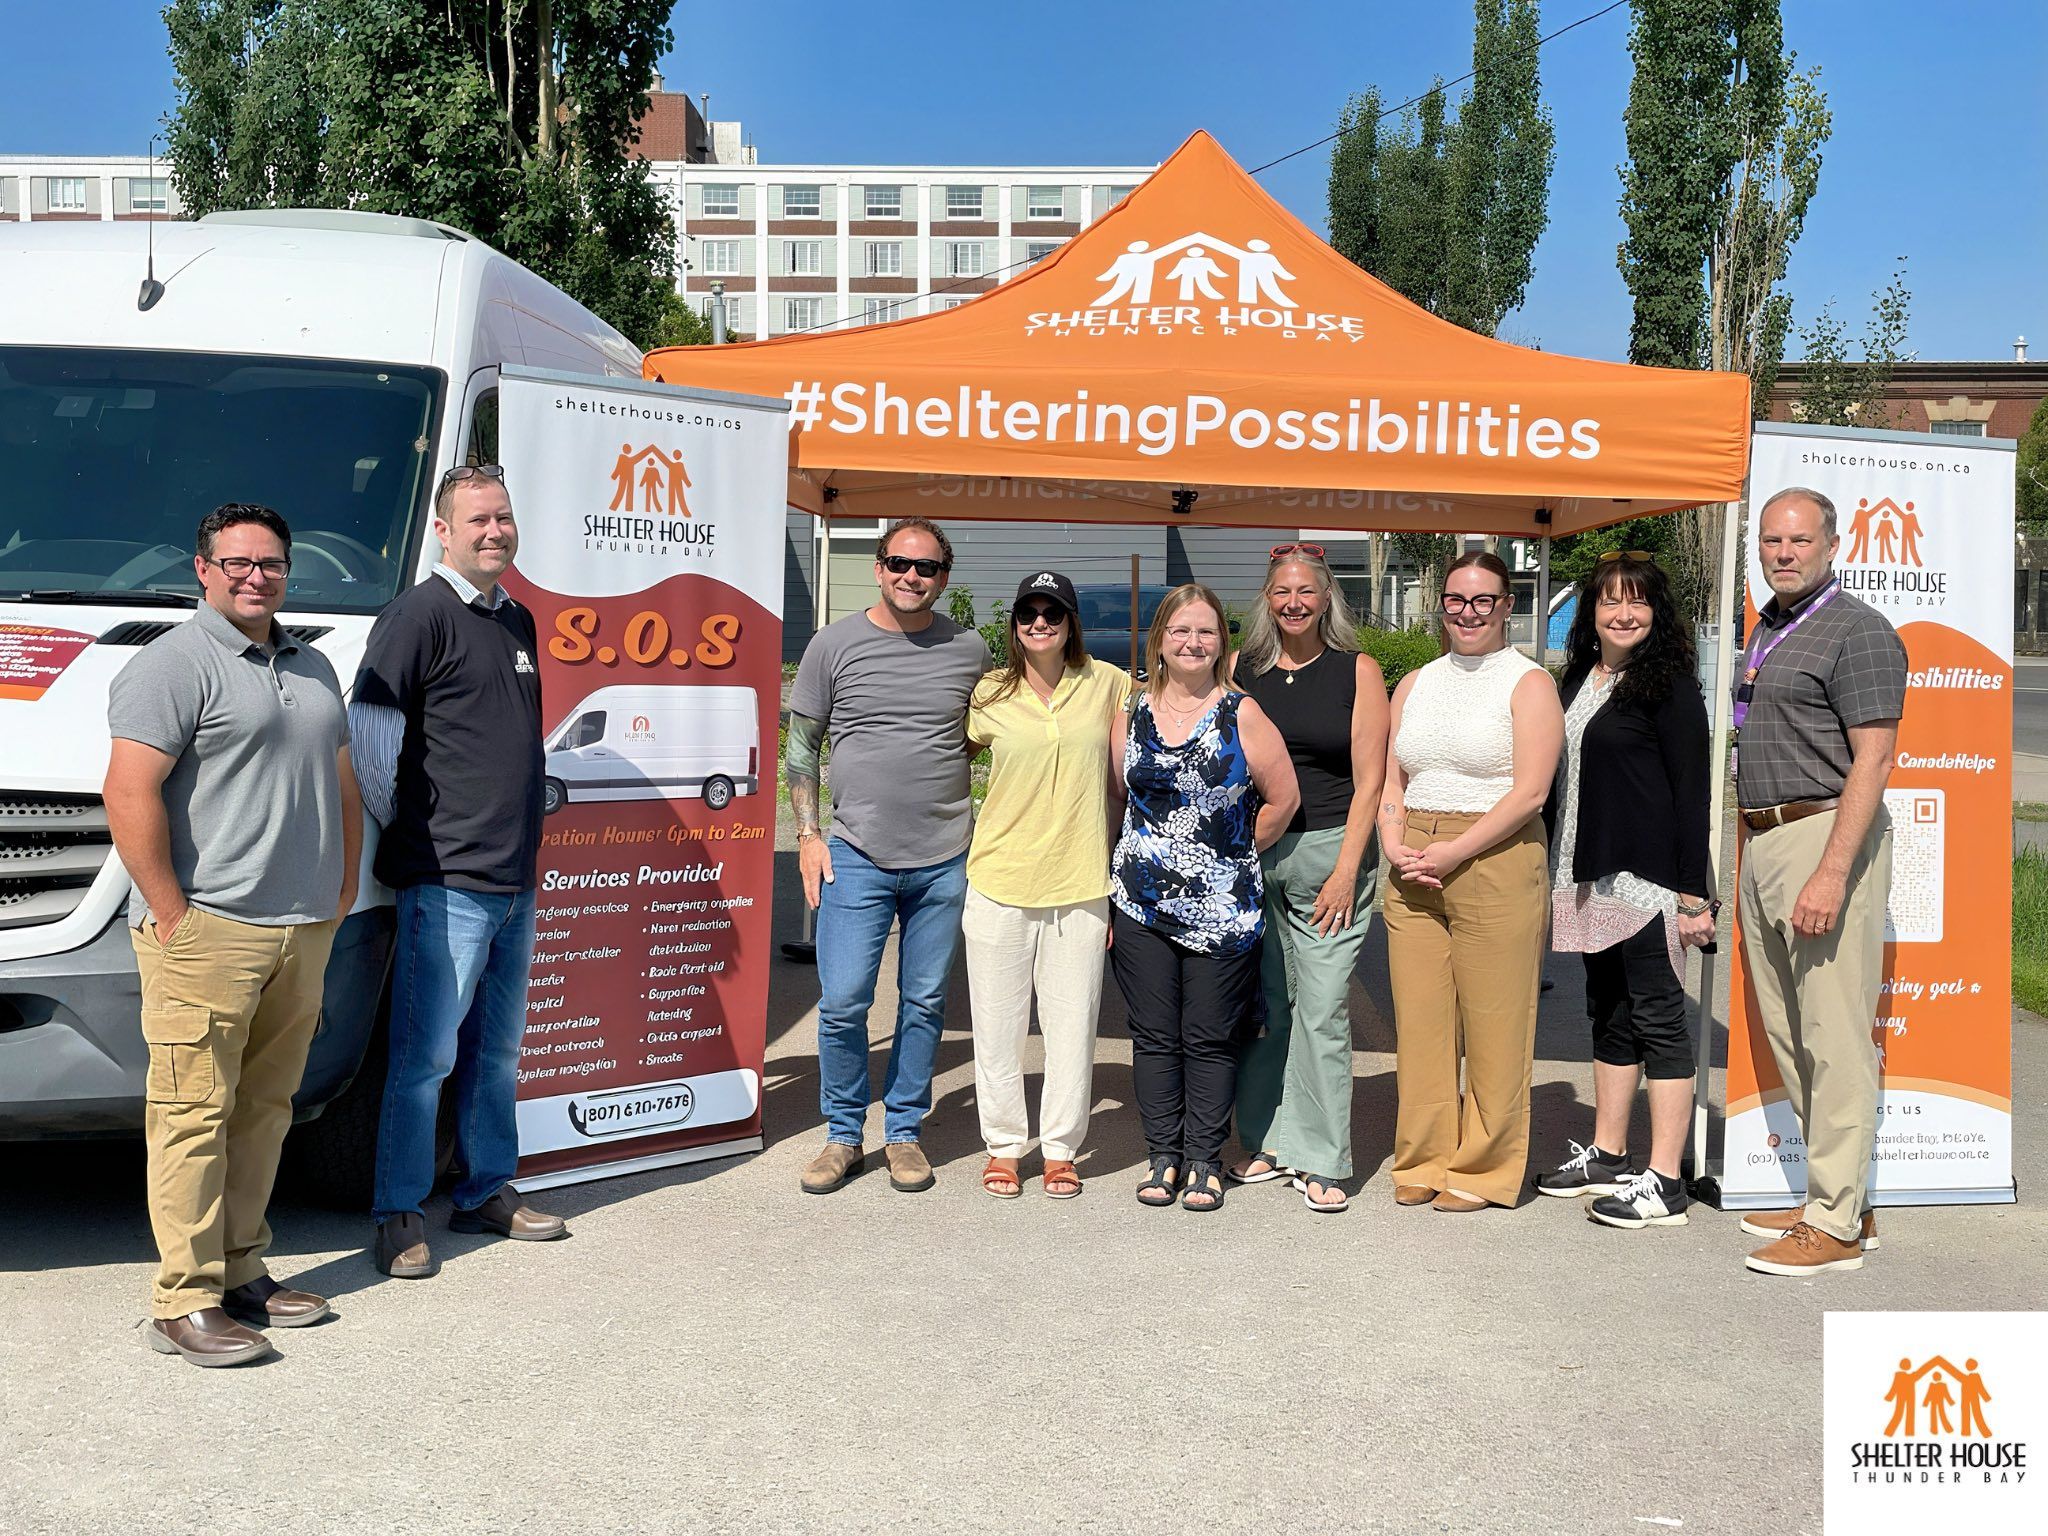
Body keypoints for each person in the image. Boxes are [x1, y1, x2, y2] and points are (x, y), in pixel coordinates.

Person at [105, 503, 360, 1366]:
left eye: (273, 563)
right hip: (210, 926)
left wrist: (343, 878)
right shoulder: (172, 665)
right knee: (191, 1114)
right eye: (239, 562)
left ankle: (244, 1269)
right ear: (203, 569)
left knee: (265, 1109)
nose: (257, 576)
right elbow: (129, 793)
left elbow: (340, 775)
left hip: (302, 926)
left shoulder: (314, 663)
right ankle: (183, 1299)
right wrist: (172, 911)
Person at [352, 464, 567, 1279]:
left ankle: (485, 1191)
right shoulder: (418, 614)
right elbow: (371, 736)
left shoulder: (515, 618)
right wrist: (415, 828)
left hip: (515, 881)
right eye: (477, 520)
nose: (494, 532)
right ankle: (398, 1211)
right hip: (446, 884)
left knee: (496, 1055)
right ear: (443, 530)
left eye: (504, 517)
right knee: (425, 1059)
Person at [787, 518, 990, 1195]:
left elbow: (980, 734)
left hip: (944, 855)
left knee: (924, 1001)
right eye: (900, 562)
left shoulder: (969, 649)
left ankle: (904, 1131)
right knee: (843, 1002)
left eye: (927, 567)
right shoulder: (832, 645)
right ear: (878, 567)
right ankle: (844, 1134)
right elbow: (802, 748)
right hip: (855, 854)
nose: (912, 575)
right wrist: (809, 836)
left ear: (944, 577)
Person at [1731, 487, 1904, 1276]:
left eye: (1799, 540)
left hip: (1824, 836)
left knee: (1834, 1038)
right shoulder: (1767, 627)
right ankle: (1838, 1200)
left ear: (1833, 545)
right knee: (1790, 1033)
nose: (1784, 552)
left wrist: (1833, 870)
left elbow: (1874, 759)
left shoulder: (1860, 631)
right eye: (1772, 540)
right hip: (1765, 840)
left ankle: (1833, 1229)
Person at [1534, 553, 1716, 1228]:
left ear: (1656, 611)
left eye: (1636, 601)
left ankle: (1666, 1178)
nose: (1623, 613)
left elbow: (1692, 793)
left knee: (1659, 1017)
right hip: (1584, 874)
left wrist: (1693, 896)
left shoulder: (1669, 685)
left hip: (1645, 882)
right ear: (1593, 614)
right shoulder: (1581, 677)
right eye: (1610, 601)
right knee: (1607, 1012)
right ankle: (1609, 1154)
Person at [1380, 551, 1562, 1212]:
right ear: (1442, 603)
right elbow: (1394, 780)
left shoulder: (1528, 682)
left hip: (1493, 853)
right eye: (1457, 598)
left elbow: (1531, 792)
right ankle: (1425, 1157)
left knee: (1495, 1023)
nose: (1468, 611)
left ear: (1507, 605)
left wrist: (1454, 852)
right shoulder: (1416, 681)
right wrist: (1393, 841)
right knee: (1423, 1026)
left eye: (1483, 599)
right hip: (1413, 860)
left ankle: (1483, 1170)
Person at [1109, 583, 1299, 1213]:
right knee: (1154, 1035)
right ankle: (1163, 1156)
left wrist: (1235, 853)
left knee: (1210, 1038)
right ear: (1160, 640)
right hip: (1139, 902)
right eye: (1180, 631)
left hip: (1222, 906)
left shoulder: (1240, 713)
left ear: (1223, 643)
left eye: (1207, 632)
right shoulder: (1128, 716)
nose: (1193, 643)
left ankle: (1205, 1161)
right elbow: (1120, 803)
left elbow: (1283, 798)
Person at [1227, 545, 1389, 1213]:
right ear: (1267, 598)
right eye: (1282, 591)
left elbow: (1371, 778)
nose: (1294, 602)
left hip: (1330, 854)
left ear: (1327, 599)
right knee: (1268, 1007)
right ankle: (1268, 1138)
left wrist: (1348, 867)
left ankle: (1322, 1155)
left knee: (1321, 1011)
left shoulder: (1358, 671)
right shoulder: (1243, 669)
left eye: (1307, 591)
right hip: (1257, 855)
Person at [962, 571, 1131, 1200]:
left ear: (1070, 622)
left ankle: (1061, 1149)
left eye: (1052, 612)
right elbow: (950, 757)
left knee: (1071, 1026)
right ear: (1014, 624)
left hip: (1082, 882)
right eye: (1028, 612)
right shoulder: (987, 694)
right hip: (1000, 881)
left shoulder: (1111, 684)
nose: (1040, 622)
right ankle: (1004, 1147)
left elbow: (1174, 713)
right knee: (998, 1026)